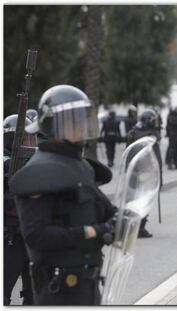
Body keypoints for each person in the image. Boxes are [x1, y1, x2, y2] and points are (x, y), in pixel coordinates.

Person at [9, 85, 118, 305]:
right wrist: (89, 232)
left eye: (82, 118)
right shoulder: (38, 172)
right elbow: (36, 235)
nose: (81, 126)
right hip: (58, 290)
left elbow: (106, 210)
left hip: (89, 286)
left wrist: (121, 219)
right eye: (72, 120)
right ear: (52, 125)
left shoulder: (83, 166)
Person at [3, 115, 37, 305]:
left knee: (35, 296)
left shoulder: (32, 164)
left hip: (32, 236)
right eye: (24, 138)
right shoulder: (4, 164)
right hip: (10, 238)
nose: (29, 143)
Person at [126, 108, 163, 238]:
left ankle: (132, 226)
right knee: (145, 200)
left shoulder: (132, 133)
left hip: (133, 171)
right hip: (147, 173)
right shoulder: (152, 137)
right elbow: (156, 159)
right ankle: (140, 227)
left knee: (133, 200)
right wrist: (159, 176)